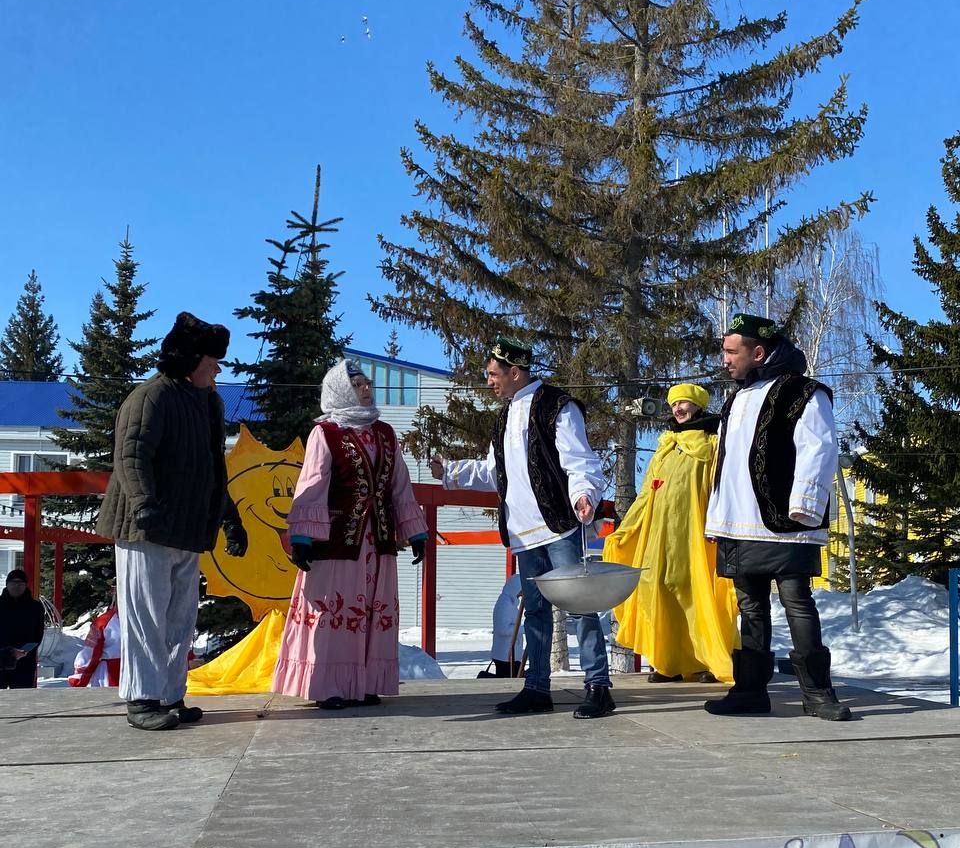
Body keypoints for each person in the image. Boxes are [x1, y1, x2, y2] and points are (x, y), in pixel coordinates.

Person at [430, 335, 614, 719]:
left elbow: (579, 459)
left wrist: (584, 495)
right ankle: (537, 688)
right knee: (535, 611)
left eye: (494, 374)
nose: (490, 381)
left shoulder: (557, 406)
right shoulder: (504, 416)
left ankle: (598, 685)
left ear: (515, 372)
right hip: (524, 531)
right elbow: (497, 472)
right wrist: (451, 472)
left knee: (579, 606)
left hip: (559, 524)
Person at [97, 312, 248, 731]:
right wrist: (144, 502)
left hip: (187, 528)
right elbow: (131, 455)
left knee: (180, 617)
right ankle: (142, 699)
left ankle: (169, 694)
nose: (218, 369)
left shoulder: (208, 402)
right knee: (146, 614)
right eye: (212, 361)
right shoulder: (151, 397)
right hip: (144, 527)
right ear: (190, 359)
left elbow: (213, 467)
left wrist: (230, 516)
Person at [703, 313, 850, 721]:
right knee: (749, 606)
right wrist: (717, 518)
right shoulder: (735, 399)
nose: (726, 360)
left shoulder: (804, 392)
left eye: (733, 351)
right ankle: (750, 691)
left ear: (759, 352)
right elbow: (727, 465)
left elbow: (818, 449)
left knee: (797, 603)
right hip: (738, 521)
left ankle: (817, 694)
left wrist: (804, 504)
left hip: (785, 521)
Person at [273, 359, 429, 709]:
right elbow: (312, 484)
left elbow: (399, 486)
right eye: (358, 384)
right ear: (342, 390)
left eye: (366, 382)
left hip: (378, 538)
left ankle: (365, 683)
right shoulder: (326, 433)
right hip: (337, 539)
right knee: (334, 612)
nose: (366, 388)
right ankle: (328, 686)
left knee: (373, 611)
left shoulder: (385, 433)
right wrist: (302, 536)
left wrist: (415, 530)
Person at [603, 383, 739, 684]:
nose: (678, 409)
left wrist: (721, 524)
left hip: (695, 534)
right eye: (674, 404)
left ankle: (703, 661)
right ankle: (667, 662)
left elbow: (722, 489)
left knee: (694, 591)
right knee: (660, 589)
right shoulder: (666, 447)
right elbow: (646, 495)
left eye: (685, 404)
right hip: (660, 536)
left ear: (698, 407)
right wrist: (627, 528)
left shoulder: (712, 444)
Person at [68, 581, 121, 687]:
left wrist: (80, 678)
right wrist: (81, 677)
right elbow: (91, 653)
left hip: (113, 675)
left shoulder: (104, 621)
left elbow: (90, 654)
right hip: (111, 675)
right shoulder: (104, 622)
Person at [0, 568, 45, 688]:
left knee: (22, 700)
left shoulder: (35, 607)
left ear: (25, 585)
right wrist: (7, 653)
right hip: (1, 659)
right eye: (13, 582)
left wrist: (24, 651)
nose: (16, 586)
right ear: (7, 584)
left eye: (20, 583)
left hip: (24, 660)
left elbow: (38, 634)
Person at [477, 573, 524, 678]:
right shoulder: (505, 604)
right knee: (507, 682)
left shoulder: (511, 603)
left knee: (515, 679)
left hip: (511, 654)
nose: (521, 594)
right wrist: (524, 629)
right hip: (505, 654)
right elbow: (503, 629)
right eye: (521, 590)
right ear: (515, 588)